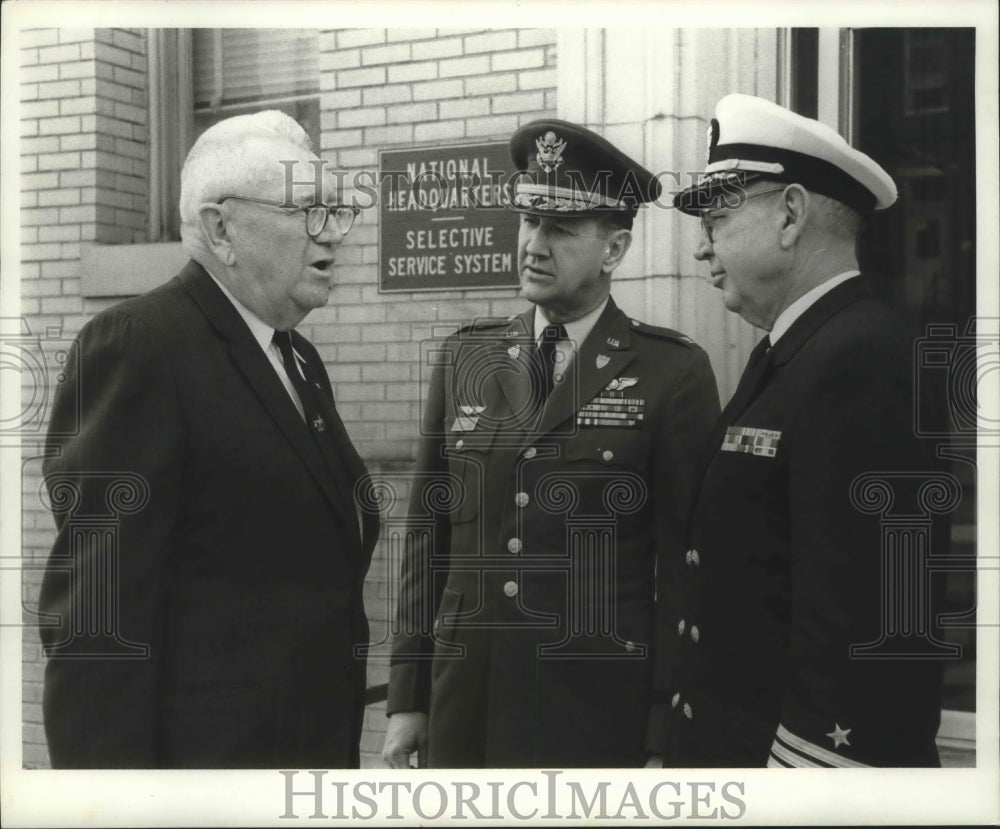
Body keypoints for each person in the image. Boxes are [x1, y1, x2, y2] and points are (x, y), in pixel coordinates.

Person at [38, 110, 379, 768]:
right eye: (306, 211)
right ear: (222, 228)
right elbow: (98, 628)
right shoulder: (141, 347)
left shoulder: (300, 361)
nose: (331, 234)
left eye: (335, 211)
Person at [382, 119, 721, 768]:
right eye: (528, 221)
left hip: (592, 717)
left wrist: (663, 730)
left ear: (614, 249)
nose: (534, 244)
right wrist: (408, 698)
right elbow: (428, 540)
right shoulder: (467, 357)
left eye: (560, 230)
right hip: (466, 709)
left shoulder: (671, 373)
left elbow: (686, 571)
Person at [658, 93, 951, 767]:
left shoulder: (864, 359)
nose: (701, 246)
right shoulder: (792, 352)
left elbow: (872, 632)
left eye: (718, 215)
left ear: (790, 214)